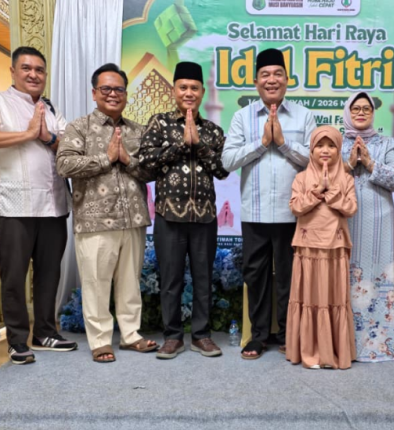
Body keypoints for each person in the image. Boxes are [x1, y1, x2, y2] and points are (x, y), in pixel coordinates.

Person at [56, 63, 158, 363]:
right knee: (96, 284)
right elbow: (64, 165)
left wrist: (127, 159)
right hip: (95, 221)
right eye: (106, 89)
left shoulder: (137, 130)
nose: (113, 94)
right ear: (94, 93)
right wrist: (106, 158)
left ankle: (130, 335)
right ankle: (100, 340)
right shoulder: (79, 127)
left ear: (126, 94)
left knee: (130, 283)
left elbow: (151, 171)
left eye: (119, 89)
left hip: (134, 218)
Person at [222, 48, 316, 359]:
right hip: (255, 211)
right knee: (256, 276)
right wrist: (262, 143)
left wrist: (284, 144)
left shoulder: (304, 116)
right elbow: (228, 160)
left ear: (287, 80)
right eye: (265, 75)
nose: (271, 80)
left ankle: (289, 334)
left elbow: (316, 160)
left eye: (277, 74)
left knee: (290, 276)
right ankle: (259, 336)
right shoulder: (242, 116)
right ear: (256, 81)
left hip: (293, 212)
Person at [139, 61, 229, 359]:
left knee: (203, 278)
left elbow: (223, 170)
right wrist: (179, 146)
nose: (189, 92)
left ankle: (201, 336)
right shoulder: (159, 123)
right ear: (174, 90)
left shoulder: (213, 131)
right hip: (169, 216)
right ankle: (173, 336)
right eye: (183, 87)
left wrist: (199, 145)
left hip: (205, 216)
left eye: (194, 88)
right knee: (171, 279)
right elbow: (145, 162)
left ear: (202, 92)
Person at [0, 46, 77, 365]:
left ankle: (45, 332)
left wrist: (47, 137)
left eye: (39, 70)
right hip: (14, 205)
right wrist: (28, 133)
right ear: (13, 72)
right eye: (27, 68)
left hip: (54, 205)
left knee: (49, 273)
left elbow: (71, 146)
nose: (34, 75)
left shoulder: (50, 108)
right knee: (14, 276)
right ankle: (17, 340)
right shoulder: (2, 102)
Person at [341, 92, 394, 362]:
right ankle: (343, 345)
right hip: (343, 222)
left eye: (366, 108)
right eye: (355, 108)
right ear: (347, 112)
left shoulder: (389, 144)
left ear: (373, 113)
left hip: (378, 222)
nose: (360, 112)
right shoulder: (335, 143)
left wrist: (370, 164)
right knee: (344, 278)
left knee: (377, 280)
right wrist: (348, 165)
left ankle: (377, 345)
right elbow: (323, 178)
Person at [286, 126, 357, 369]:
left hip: (335, 247)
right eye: (319, 145)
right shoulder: (301, 178)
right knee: (309, 297)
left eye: (331, 145)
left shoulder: (347, 179)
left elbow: (351, 208)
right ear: (311, 150)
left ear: (339, 150)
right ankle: (309, 352)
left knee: (332, 298)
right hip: (307, 247)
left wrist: (332, 191)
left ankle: (332, 352)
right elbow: (295, 207)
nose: (325, 150)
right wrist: (317, 191)